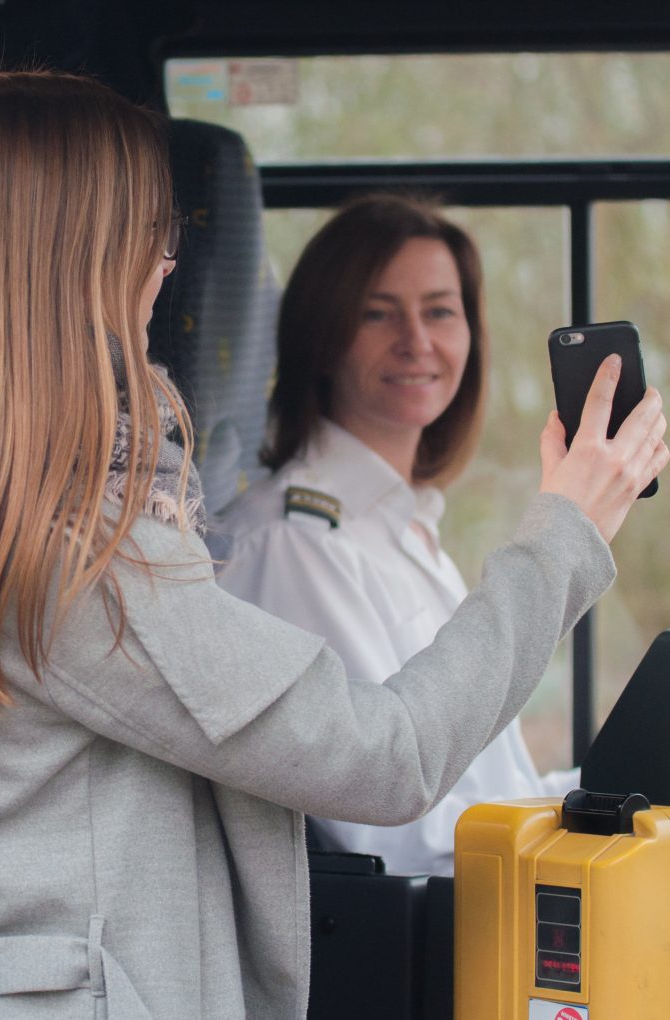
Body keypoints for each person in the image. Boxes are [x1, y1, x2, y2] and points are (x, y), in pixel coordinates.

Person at [0, 71, 667, 1020]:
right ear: (65, 263)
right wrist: (568, 530)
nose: (168, 267)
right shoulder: (72, 555)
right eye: (148, 235)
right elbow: (389, 756)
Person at [215, 194, 582, 876]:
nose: (417, 341)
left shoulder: (404, 530)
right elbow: (393, 832)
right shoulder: (295, 542)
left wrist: (609, 797)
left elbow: (493, 794)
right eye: (377, 313)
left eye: (440, 310)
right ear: (323, 338)